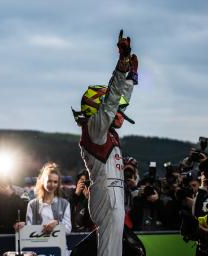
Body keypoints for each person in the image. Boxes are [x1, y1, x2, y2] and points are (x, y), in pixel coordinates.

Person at [71, 30, 138, 256]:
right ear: (97, 110)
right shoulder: (94, 129)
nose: (120, 114)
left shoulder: (102, 131)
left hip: (111, 195)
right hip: (107, 197)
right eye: (112, 112)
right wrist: (122, 67)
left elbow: (116, 103)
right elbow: (111, 103)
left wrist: (131, 78)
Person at [14, 162, 72, 234]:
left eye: (55, 182)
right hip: (38, 244)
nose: (52, 184)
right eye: (49, 181)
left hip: (57, 245)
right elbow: (29, 229)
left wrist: (57, 223)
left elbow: (68, 230)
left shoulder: (65, 204)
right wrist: (23, 226)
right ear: (43, 181)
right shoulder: (32, 204)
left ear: (58, 184)